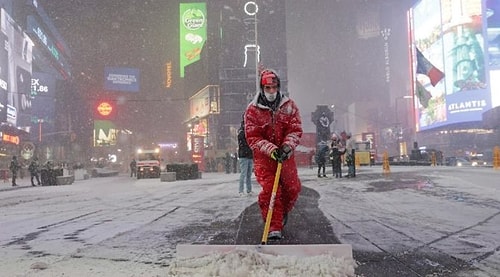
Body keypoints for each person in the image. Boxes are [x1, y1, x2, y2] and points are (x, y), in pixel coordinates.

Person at [244, 69, 303, 240]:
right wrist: (271, 150)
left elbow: (295, 129)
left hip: (286, 157)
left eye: (274, 87)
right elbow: (253, 137)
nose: (271, 91)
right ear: (262, 88)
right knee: (272, 191)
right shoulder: (252, 110)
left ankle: (281, 212)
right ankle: (273, 225)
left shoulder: (289, 106)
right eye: (268, 88)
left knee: (293, 188)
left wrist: (287, 146)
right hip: (265, 159)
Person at [237, 119, 254, 196]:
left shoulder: (246, 132)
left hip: (249, 155)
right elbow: (244, 143)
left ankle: (249, 190)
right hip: (244, 155)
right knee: (244, 174)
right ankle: (241, 191)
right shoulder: (242, 132)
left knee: (248, 174)